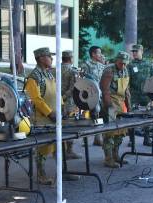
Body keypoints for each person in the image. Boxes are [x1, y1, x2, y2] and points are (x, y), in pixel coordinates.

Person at [26, 47, 76, 185]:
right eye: (49, 56)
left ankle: (62, 172)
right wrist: (50, 113)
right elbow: (36, 99)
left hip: (56, 117)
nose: (52, 59)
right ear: (41, 58)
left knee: (59, 146)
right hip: (42, 119)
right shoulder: (34, 76)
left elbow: (56, 92)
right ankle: (40, 175)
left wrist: (62, 107)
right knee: (43, 148)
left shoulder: (49, 74)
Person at [100, 51, 131, 168]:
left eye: (125, 63)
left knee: (120, 131)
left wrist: (129, 107)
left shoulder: (125, 70)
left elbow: (127, 91)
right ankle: (108, 159)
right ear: (116, 60)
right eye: (121, 63)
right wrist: (109, 107)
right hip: (111, 103)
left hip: (121, 103)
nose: (123, 65)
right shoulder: (109, 71)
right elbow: (105, 91)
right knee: (110, 132)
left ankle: (116, 155)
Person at [129, 44, 153, 145]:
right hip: (134, 95)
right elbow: (127, 80)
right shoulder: (130, 65)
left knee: (147, 117)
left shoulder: (148, 64)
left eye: (136, 51)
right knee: (131, 118)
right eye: (133, 51)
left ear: (142, 51)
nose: (134, 53)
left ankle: (147, 138)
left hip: (146, 95)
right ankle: (131, 140)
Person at [81, 45, 107, 147]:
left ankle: (98, 137)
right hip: (90, 93)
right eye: (99, 53)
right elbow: (83, 79)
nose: (101, 55)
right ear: (93, 54)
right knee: (91, 115)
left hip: (101, 93)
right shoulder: (86, 64)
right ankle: (85, 139)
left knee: (100, 115)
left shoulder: (101, 65)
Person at [60, 50, 82, 161]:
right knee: (69, 127)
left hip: (55, 102)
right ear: (70, 58)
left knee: (58, 126)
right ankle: (69, 150)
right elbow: (74, 87)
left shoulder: (55, 69)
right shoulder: (73, 71)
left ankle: (59, 151)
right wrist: (63, 97)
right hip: (68, 103)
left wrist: (59, 98)